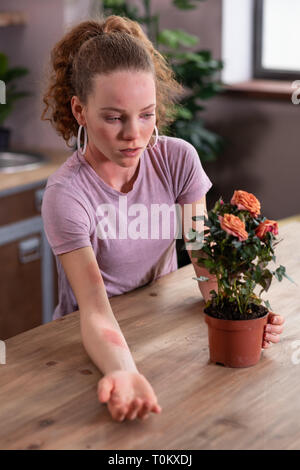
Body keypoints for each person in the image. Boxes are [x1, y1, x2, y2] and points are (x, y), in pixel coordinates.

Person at [41, 15, 284, 423]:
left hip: (157, 321)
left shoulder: (177, 159)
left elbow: (202, 255)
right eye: (114, 118)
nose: (134, 134)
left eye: (147, 114)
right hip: (87, 344)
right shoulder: (66, 195)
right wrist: (123, 371)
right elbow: (96, 310)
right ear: (80, 111)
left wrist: (239, 313)